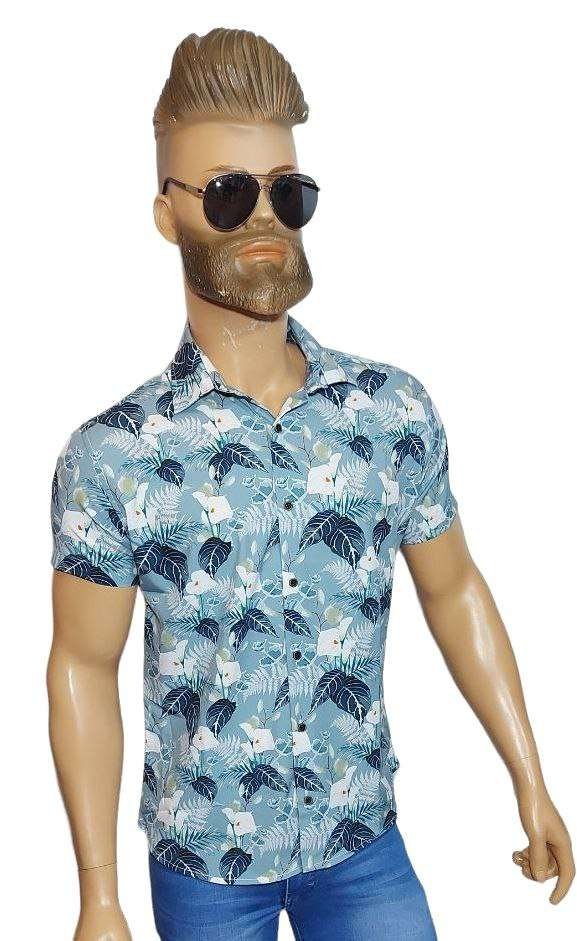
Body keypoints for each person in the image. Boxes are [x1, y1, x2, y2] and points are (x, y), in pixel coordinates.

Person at [48, 27, 574, 941]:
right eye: (227, 193)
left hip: (360, 844)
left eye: (286, 192)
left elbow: (453, 589)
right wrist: (98, 893)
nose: (264, 219)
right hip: (205, 862)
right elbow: (82, 665)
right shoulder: (114, 456)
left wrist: (530, 777)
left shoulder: (390, 413)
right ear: (168, 214)